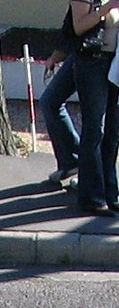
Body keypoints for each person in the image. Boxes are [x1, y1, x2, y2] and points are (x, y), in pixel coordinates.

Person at [69, 0, 119, 215]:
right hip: (92, 62)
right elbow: (79, 26)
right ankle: (92, 197)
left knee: (113, 132)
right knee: (94, 129)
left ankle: (111, 193)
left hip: (114, 63)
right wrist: (107, 8)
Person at [40, 6, 81, 186]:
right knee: (50, 102)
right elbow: (71, 32)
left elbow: (77, 29)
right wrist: (55, 58)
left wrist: (54, 58)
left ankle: (92, 176)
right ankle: (71, 160)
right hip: (81, 54)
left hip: (96, 58)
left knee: (96, 121)